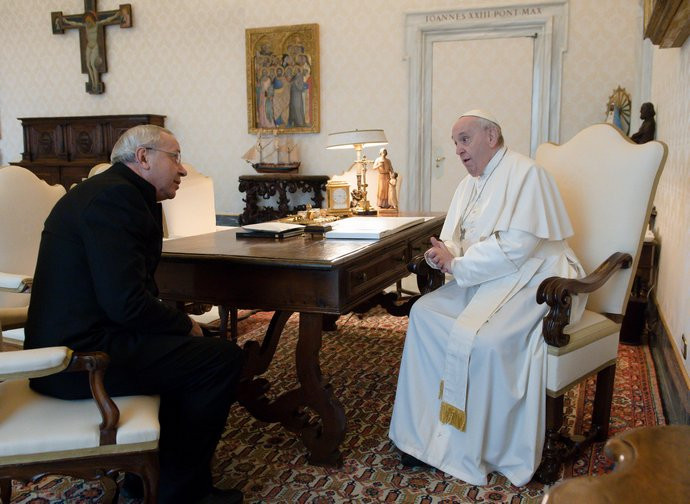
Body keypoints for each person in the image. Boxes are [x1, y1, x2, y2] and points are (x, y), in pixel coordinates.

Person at [24, 125, 245, 504]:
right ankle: (180, 493)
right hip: (77, 362)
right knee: (221, 360)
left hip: (88, 339)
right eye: (174, 157)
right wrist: (182, 324)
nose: (183, 169)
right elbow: (125, 302)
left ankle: (147, 478)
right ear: (142, 158)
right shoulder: (116, 199)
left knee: (200, 350)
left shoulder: (115, 193)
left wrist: (180, 329)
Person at [389, 110, 586, 487]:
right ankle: (424, 435)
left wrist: (458, 264)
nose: (458, 150)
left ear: (491, 136)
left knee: (490, 341)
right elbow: (457, 238)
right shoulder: (468, 184)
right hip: (484, 277)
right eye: (455, 142)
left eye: (465, 139)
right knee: (424, 313)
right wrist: (443, 252)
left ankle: (486, 447)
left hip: (535, 279)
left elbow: (518, 247)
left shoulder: (527, 174)